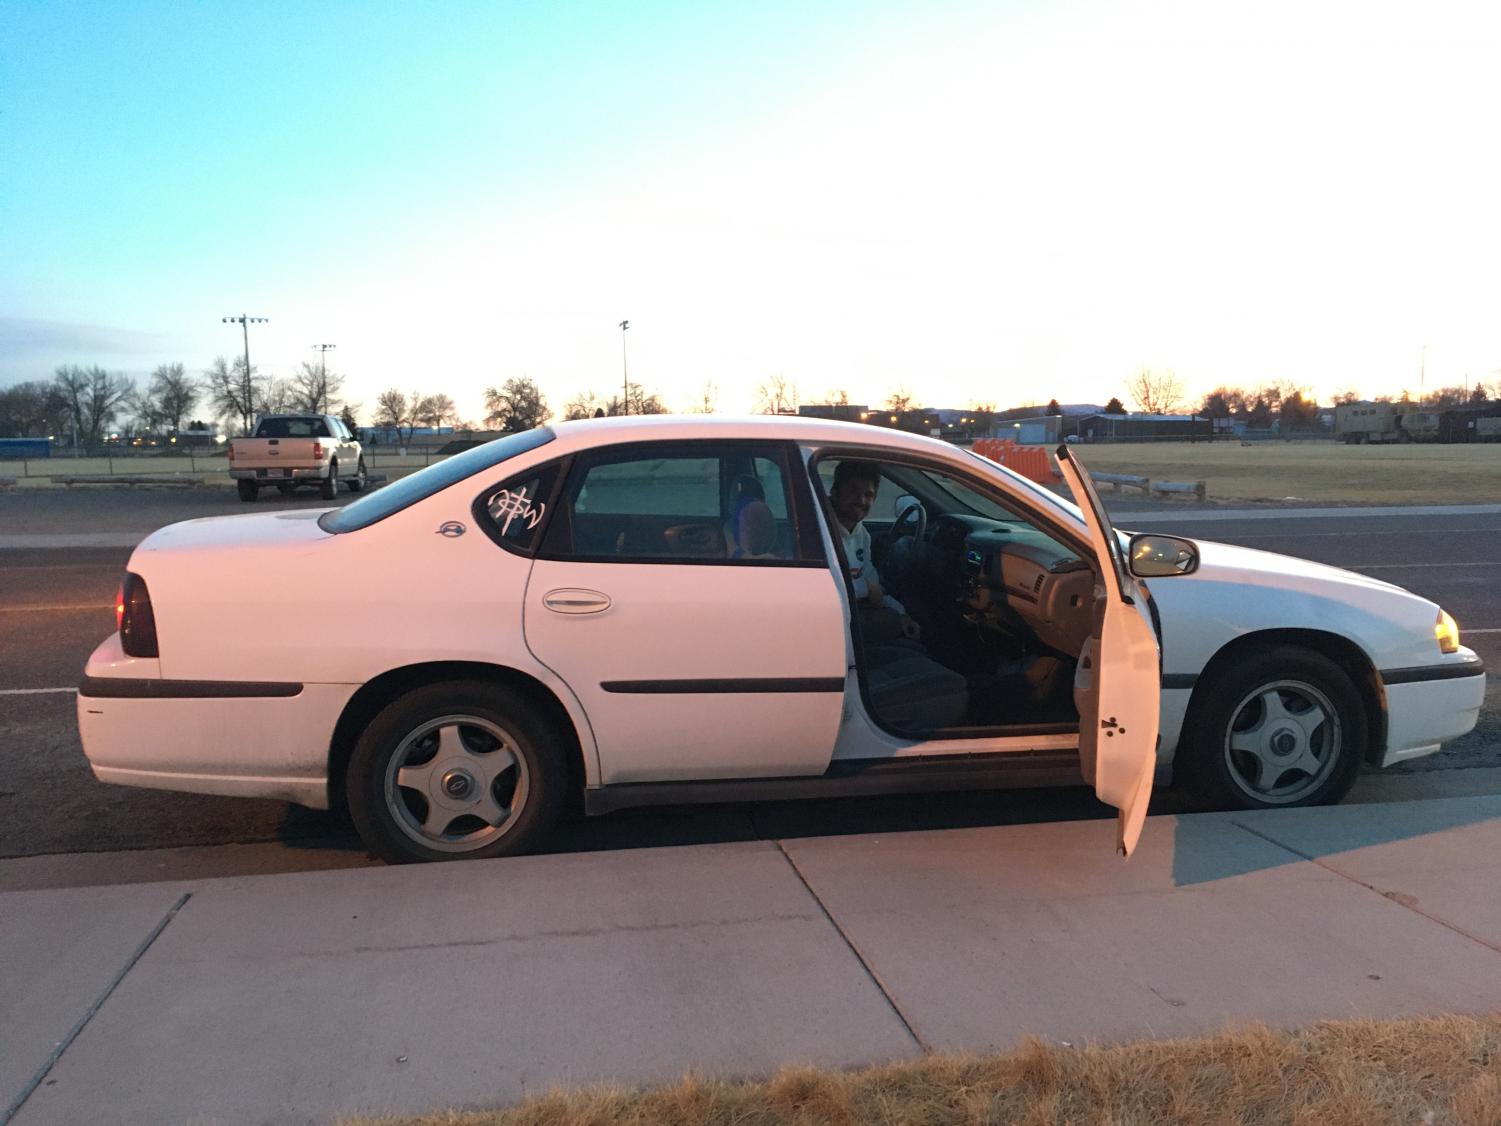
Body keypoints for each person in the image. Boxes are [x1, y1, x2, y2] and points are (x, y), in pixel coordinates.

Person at [828, 460, 920, 640]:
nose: (861, 500)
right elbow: (825, 591)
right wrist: (866, 589)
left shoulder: (862, 533)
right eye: (853, 491)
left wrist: (902, 613)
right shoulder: (819, 531)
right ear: (835, 492)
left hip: (857, 611)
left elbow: (873, 585)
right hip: (835, 625)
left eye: (868, 494)